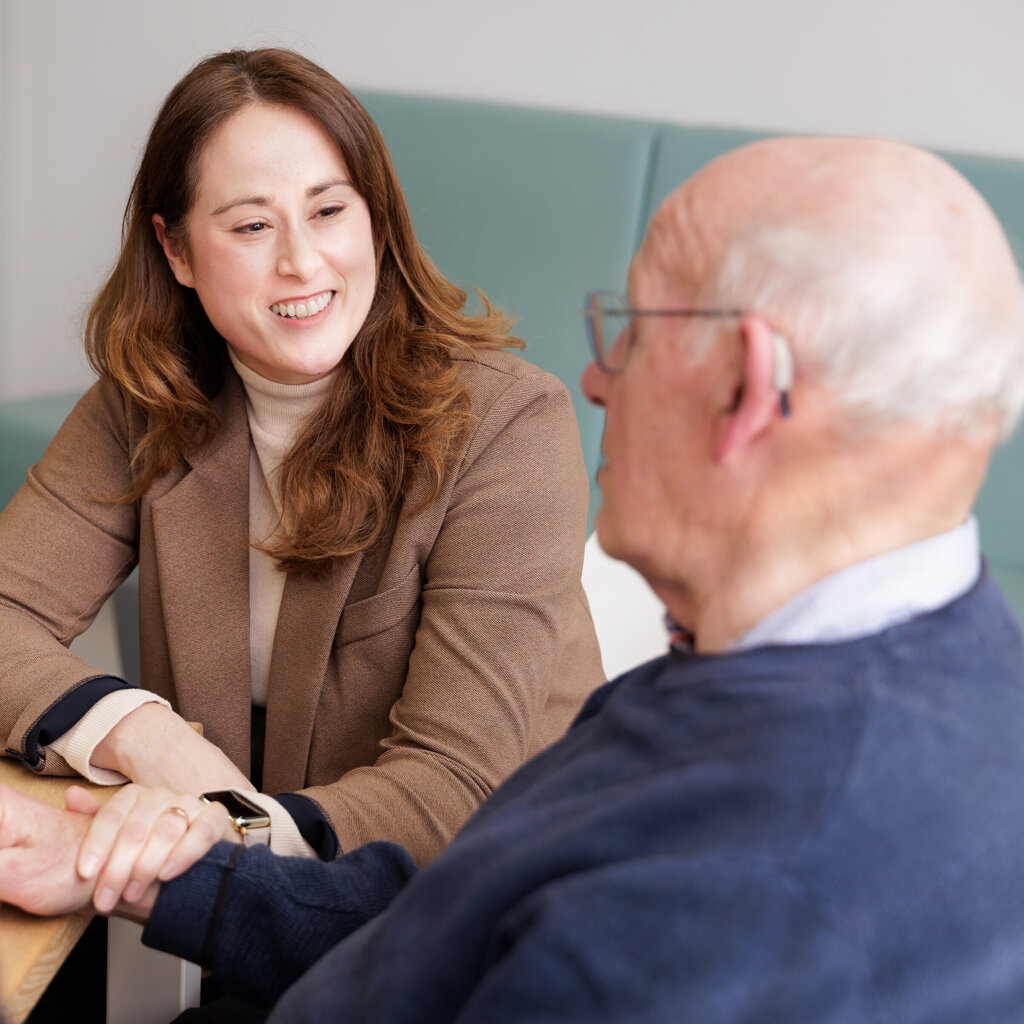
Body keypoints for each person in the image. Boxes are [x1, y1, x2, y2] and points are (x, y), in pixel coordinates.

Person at [5, 133, 1024, 1022]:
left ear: (745, 390)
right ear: (176, 251)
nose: (597, 378)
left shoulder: (762, 870)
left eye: (632, 331)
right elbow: (460, 912)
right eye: (250, 224)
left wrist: (197, 841)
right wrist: (165, 875)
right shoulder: (772, 678)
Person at [0, 47, 604, 877]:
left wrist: (227, 829)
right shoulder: (148, 400)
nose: (302, 261)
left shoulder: (509, 423)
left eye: (328, 210)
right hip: (244, 891)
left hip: (485, 902)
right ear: (176, 251)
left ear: (375, 220)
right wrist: (141, 732)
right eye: (252, 226)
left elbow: (454, 786)